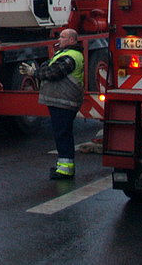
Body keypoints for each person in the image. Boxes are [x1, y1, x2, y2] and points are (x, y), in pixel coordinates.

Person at [20, 28, 84, 179]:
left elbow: (52, 73)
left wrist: (33, 73)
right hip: (61, 100)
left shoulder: (71, 56)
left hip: (65, 101)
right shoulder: (63, 53)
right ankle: (64, 166)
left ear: (72, 40)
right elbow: (47, 67)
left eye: (62, 37)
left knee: (63, 134)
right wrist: (39, 70)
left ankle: (65, 170)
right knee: (62, 133)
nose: (59, 39)